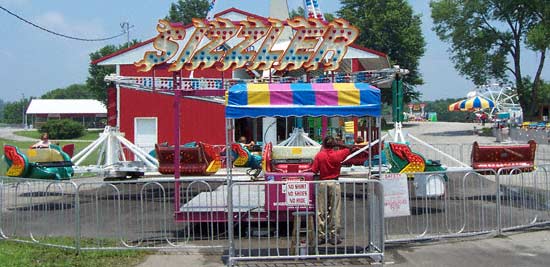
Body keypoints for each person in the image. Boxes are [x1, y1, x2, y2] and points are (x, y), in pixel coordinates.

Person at [311, 136, 351, 245]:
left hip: (322, 183)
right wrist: (339, 145)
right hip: (334, 183)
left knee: (321, 211)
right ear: (334, 145)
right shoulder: (338, 154)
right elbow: (349, 149)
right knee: (335, 210)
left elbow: (314, 170)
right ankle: (334, 235)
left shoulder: (320, 155)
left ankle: (321, 235)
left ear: (323, 144)